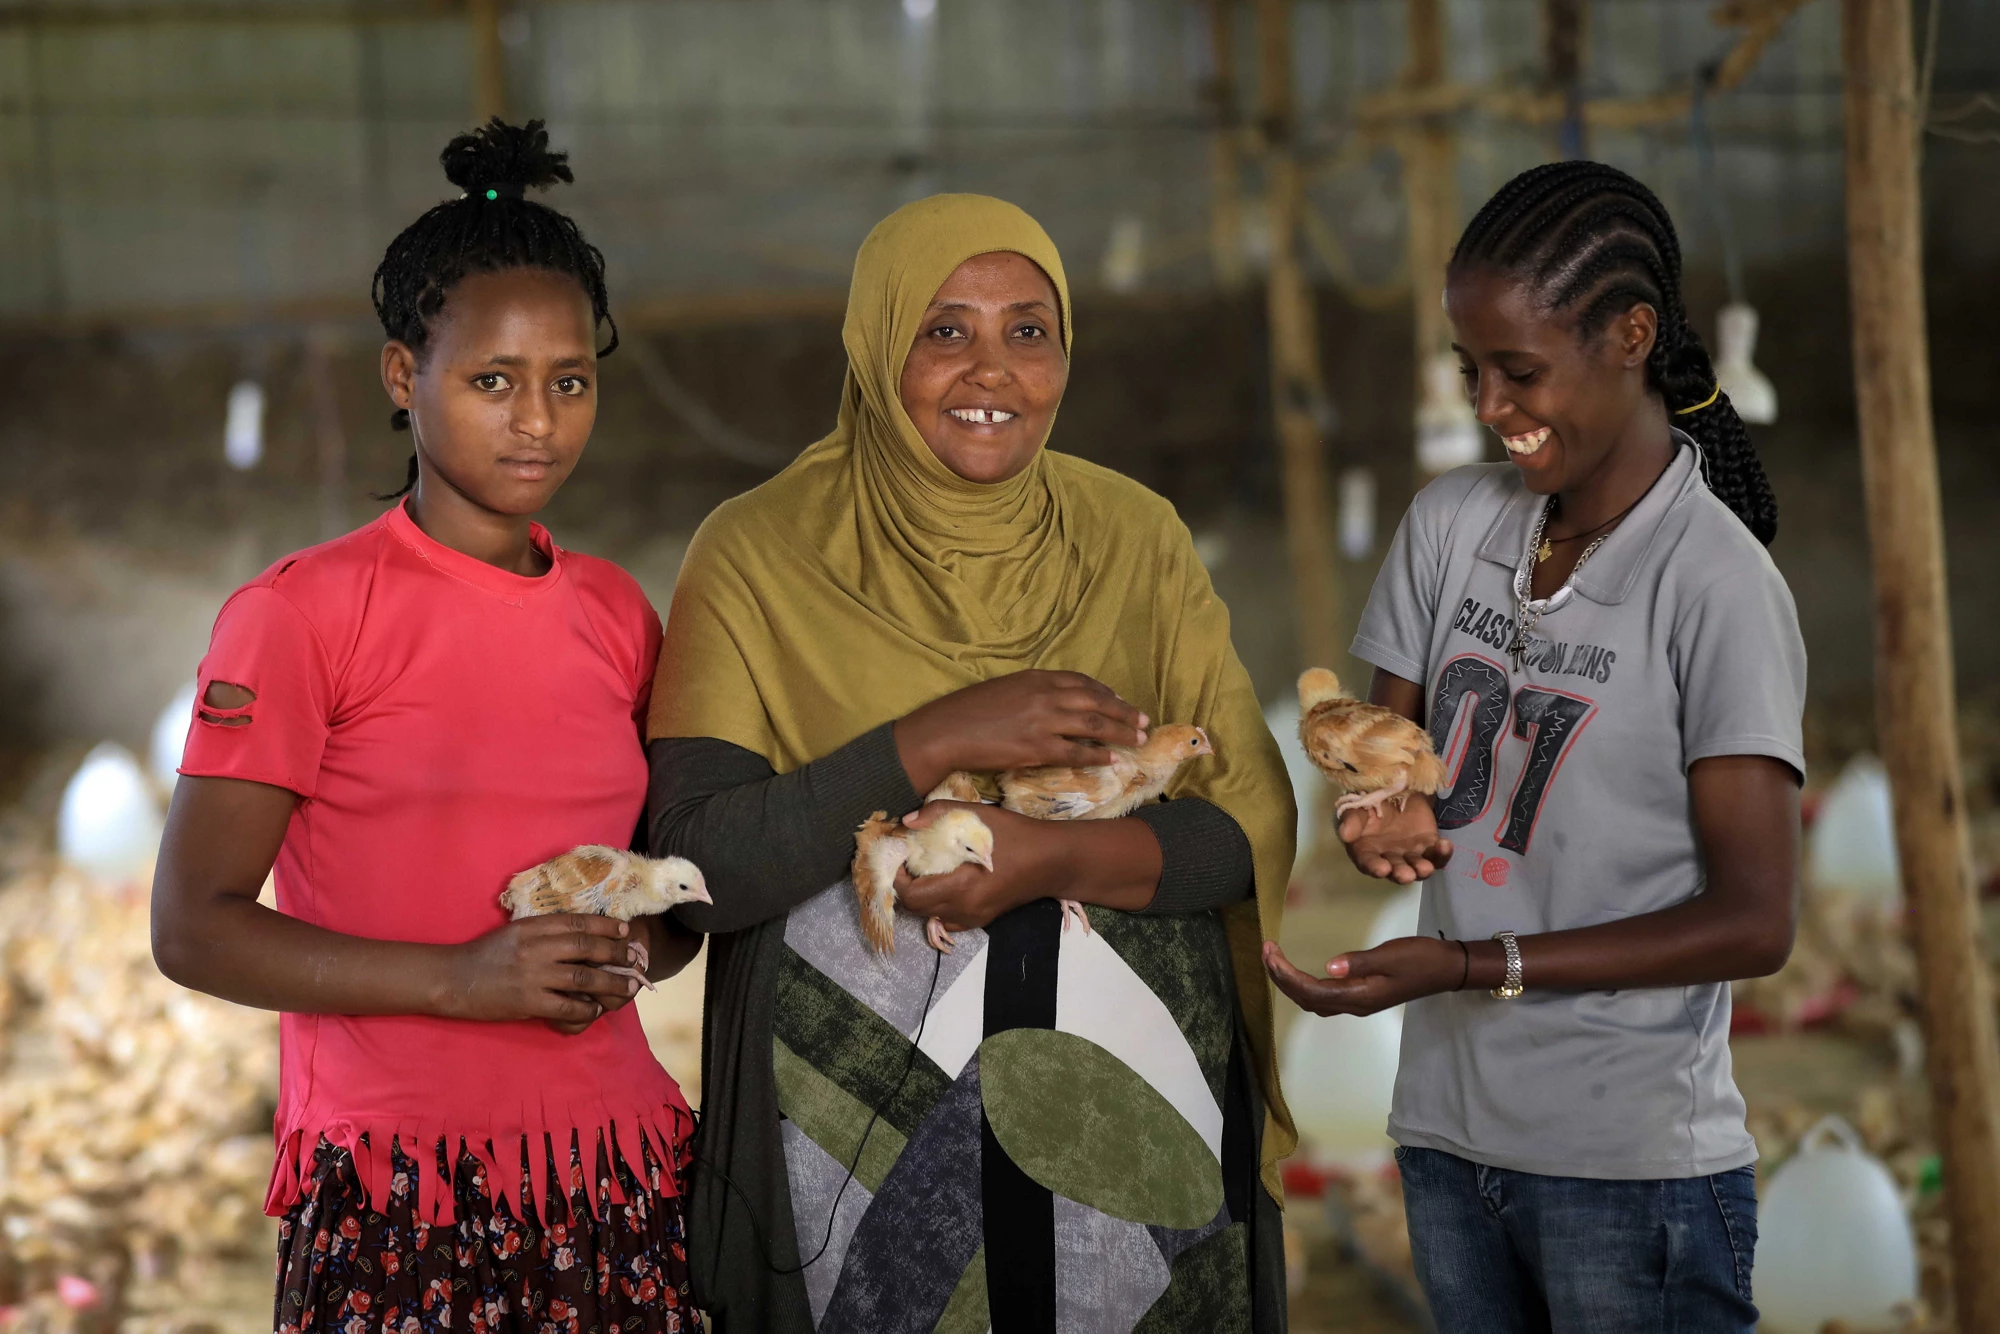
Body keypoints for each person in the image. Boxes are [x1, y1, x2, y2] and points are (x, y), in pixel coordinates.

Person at [649, 194, 1297, 1332]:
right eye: (942, 330)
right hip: (851, 1146)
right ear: (873, 344)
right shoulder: (755, 553)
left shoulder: (1132, 538)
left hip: (1128, 1153)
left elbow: (1242, 826)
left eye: (1027, 330)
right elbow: (702, 863)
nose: (990, 369)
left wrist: (1048, 855)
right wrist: (935, 735)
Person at [151, 119, 702, 1333]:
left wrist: (633, 949)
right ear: (405, 378)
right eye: (492, 380)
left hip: (612, 1177)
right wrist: (461, 978)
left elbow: (663, 909)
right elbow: (192, 926)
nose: (538, 420)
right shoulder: (301, 616)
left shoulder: (617, 615)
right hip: (402, 1198)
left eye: (570, 380)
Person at [1264, 160, 1804, 1333]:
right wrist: (1379, 823)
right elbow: (1385, 763)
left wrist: (1470, 964)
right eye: (1471, 370)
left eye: (1519, 370)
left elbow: (1756, 919)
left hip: (1631, 1166)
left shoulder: (1714, 584)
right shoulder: (1451, 525)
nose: (1489, 405)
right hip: (1450, 1138)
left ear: (1629, 334)